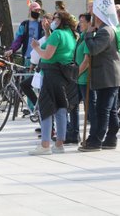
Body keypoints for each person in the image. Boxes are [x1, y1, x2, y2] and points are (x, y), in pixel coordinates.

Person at [28, 11, 77, 155]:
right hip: (64, 75)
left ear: (61, 20)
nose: (52, 20)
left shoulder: (58, 34)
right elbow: (55, 47)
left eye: (55, 18)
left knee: (46, 109)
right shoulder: (70, 34)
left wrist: (36, 47)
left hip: (51, 74)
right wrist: (47, 31)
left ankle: (45, 145)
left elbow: (47, 54)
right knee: (61, 109)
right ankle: (59, 144)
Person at [78, 14, 120, 152]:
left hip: (107, 76)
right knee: (110, 110)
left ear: (97, 18)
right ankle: (110, 139)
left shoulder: (105, 31)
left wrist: (88, 34)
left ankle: (96, 140)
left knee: (102, 110)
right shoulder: (110, 29)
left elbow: (94, 49)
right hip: (110, 76)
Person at [72, 13, 97, 142]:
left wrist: (76, 75)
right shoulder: (81, 37)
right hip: (78, 78)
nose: (79, 24)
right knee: (73, 105)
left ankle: (94, 135)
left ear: (89, 23)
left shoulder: (89, 37)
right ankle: (73, 133)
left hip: (85, 78)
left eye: (82, 21)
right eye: (79, 21)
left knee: (90, 108)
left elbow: (87, 61)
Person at [6, 2, 44, 67]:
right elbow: (18, 38)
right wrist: (12, 49)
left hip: (40, 58)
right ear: (30, 10)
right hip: (27, 57)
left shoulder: (42, 24)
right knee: (26, 76)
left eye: (39, 10)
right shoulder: (24, 24)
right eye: (35, 10)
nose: (38, 12)